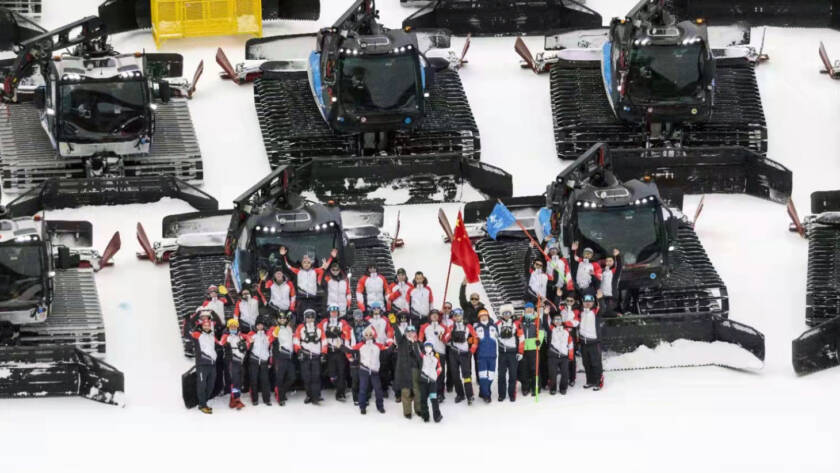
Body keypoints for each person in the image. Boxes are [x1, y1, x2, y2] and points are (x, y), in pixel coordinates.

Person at [281, 246, 336, 322]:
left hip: (312, 298)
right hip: (301, 298)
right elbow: (288, 265)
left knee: (313, 317)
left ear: (311, 264)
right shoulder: (298, 271)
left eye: (308, 262)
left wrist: (332, 257)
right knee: (301, 317)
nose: (306, 264)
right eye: (304, 262)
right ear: (302, 263)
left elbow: (325, 267)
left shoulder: (315, 271)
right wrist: (284, 255)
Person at [347, 326, 386, 415]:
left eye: (370, 335)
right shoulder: (360, 345)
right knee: (363, 389)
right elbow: (350, 350)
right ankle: (362, 407)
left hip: (374, 371)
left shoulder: (378, 345)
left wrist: (394, 344)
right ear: (363, 336)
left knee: (378, 389)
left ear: (373, 335)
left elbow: (387, 349)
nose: (368, 336)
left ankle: (380, 406)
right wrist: (341, 346)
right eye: (366, 335)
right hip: (363, 370)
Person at [443, 308, 477, 405]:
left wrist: (472, 351)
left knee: (466, 375)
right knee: (455, 375)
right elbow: (445, 339)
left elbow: (475, 338)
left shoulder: (468, 326)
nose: (457, 317)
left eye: (459, 315)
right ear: (453, 317)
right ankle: (460, 394)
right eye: (455, 315)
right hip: (453, 353)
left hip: (464, 353)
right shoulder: (451, 326)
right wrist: (450, 332)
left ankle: (469, 395)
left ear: (462, 315)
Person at [319, 306, 352, 401]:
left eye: (335, 312)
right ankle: (341, 385)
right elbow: (320, 332)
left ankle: (340, 393)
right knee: (332, 373)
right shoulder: (325, 322)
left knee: (341, 372)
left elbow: (347, 332)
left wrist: (340, 333)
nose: (334, 313)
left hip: (339, 351)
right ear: (329, 312)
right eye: (332, 312)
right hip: (329, 351)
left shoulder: (342, 322)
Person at [294, 308, 327, 404]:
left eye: (312, 317)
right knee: (306, 377)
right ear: (305, 318)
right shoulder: (300, 327)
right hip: (305, 355)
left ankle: (316, 396)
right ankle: (309, 395)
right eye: (308, 317)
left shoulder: (319, 327)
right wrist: (298, 351)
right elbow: (296, 339)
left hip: (316, 356)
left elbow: (324, 340)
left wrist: (324, 353)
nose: (310, 319)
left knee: (316, 376)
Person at [191, 310, 218, 414]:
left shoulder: (212, 335)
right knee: (202, 385)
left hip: (212, 364)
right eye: (205, 325)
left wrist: (213, 313)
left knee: (210, 385)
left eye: (208, 326)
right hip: (202, 364)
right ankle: (202, 405)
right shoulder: (197, 335)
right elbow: (191, 323)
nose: (207, 327)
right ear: (202, 326)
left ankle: (204, 402)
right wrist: (198, 313)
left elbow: (218, 323)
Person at [393, 322, 422, 419]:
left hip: (415, 369)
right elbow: (397, 334)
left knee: (417, 390)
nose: (410, 333)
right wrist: (394, 324)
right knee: (405, 390)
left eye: (412, 331)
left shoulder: (418, 343)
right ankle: (407, 411)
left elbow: (421, 357)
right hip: (404, 369)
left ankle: (418, 409)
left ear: (415, 333)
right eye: (408, 331)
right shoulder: (401, 342)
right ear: (405, 333)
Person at [365, 302, 395, 396]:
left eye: (378, 308)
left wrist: (389, 344)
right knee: (369, 368)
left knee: (383, 369)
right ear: (371, 310)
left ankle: (384, 388)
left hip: (382, 347)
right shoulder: (367, 320)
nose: (376, 310)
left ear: (381, 309)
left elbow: (390, 332)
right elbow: (364, 333)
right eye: (374, 309)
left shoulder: (385, 320)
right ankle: (368, 389)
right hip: (371, 347)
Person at [496, 303, 523, 402]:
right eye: (504, 313)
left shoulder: (516, 324)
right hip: (502, 352)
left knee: (513, 374)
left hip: (512, 352)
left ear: (511, 313)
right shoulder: (498, 324)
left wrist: (520, 352)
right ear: (501, 314)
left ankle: (512, 394)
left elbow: (521, 337)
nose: (506, 315)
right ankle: (501, 394)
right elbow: (492, 335)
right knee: (501, 374)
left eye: (508, 313)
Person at [244, 317, 274, 406]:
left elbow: (270, 347)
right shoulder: (251, 334)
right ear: (256, 325)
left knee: (265, 381)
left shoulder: (267, 335)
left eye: (261, 325)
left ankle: (267, 399)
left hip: (264, 360)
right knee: (254, 380)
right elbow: (247, 346)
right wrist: (248, 343)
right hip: (254, 360)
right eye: (258, 325)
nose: (260, 326)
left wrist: (270, 359)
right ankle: (254, 399)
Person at [419, 309, 447, 401]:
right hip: (429, 354)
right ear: (429, 316)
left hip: (441, 353)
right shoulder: (424, 326)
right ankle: (430, 391)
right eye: (432, 314)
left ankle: (440, 393)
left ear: (439, 317)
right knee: (428, 372)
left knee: (440, 374)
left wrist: (442, 337)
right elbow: (420, 340)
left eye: (436, 315)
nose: (434, 316)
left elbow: (447, 340)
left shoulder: (443, 327)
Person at [220, 318, 248, 409]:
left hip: (240, 361)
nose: (233, 328)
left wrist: (245, 344)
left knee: (240, 381)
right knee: (235, 381)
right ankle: (237, 399)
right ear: (228, 327)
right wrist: (225, 341)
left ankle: (233, 399)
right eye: (231, 327)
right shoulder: (227, 336)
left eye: (235, 327)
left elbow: (249, 338)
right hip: (232, 361)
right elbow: (221, 343)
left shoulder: (239, 336)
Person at [579, 291, 605, 391]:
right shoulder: (580, 312)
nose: (588, 303)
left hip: (594, 342)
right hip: (583, 342)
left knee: (596, 363)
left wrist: (601, 299)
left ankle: (598, 382)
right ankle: (590, 381)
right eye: (586, 301)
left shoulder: (596, 312)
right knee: (586, 363)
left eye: (590, 301)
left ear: (593, 302)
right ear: (583, 302)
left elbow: (603, 308)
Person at [519, 302, 545, 397]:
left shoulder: (537, 320)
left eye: (531, 308)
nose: (529, 310)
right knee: (524, 369)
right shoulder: (521, 320)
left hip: (534, 348)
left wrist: (539, 341)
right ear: (525, 310)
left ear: (533, 309)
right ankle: (525, 388)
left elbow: (541, 332)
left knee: (535, 369)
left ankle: (535, 387)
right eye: (527, 308)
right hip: (524, 348)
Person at [472, 308, 498, 403]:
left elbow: (500, 337)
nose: (483, 317)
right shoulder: (476, 328)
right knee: (483, 377)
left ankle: (483, 391)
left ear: (488, 316)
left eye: (485, 315)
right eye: (481, 316)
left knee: (491, 376)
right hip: (481, 356)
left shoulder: (494, 326)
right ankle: (487, 395)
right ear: (479, 317)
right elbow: (471, 340)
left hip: (492, 356)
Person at [270, 311, 296, 405]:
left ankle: (281, 391)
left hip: (289, 356)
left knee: (292, 377)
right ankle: (280, 398)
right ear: (278, 319)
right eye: (280, 318)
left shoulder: (289, 328)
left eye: (284, 318)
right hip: (280, 356)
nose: (282, 320)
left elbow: (293, 337)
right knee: (280, 378)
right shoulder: (275, 328)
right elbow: (273, 336)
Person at [547, 313, 574, 395]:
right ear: (553, 321)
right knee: (552, 374)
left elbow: (570, 343)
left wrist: (570, 355)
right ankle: (553, 388)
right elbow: (546, 322)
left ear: (562, 321)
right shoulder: (551, 329)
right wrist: (546, 313)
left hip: (564, 356)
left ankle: (563, 388)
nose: (558, 321)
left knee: (565, 373)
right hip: (553, 356)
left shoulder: (566, 331)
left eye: (559, 319)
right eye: (556, 319)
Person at [557, 291, 580, 387]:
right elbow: (556, 310)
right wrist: (558, 296)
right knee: (563, 357)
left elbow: (576, 322)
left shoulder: (577, 310)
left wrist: (565, 323)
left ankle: (572, 378)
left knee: (572, 358)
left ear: (574, 301)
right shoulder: (562, 308)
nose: (569, 302)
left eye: (571, 301)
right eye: (568, 300)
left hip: (572, 335)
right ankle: (564, 376)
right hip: (562, 336)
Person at [418, 342, 443, 423]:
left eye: (429, 346)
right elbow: (418, 366)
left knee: (434, 398)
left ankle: (437, 416)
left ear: (432, 347)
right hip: (423, 381)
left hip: (432, 382)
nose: (428, 348)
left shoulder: (436, 357)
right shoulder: (421, 356)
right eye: (426, 346)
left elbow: (439, 368)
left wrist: (435, 377)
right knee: (423, 398)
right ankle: (425, 416)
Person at [347, 309, 368, 405]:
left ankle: (365, 396)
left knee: (365, 377)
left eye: (360, 316)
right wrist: (348, 354)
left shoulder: (367, 325)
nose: (358, 318)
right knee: (355, 377)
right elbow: (347, 341)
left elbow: (373, 337)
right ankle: (355, 397)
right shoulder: (350, 327)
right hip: (354, 352)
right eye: (356, 316)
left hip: (365, 353)